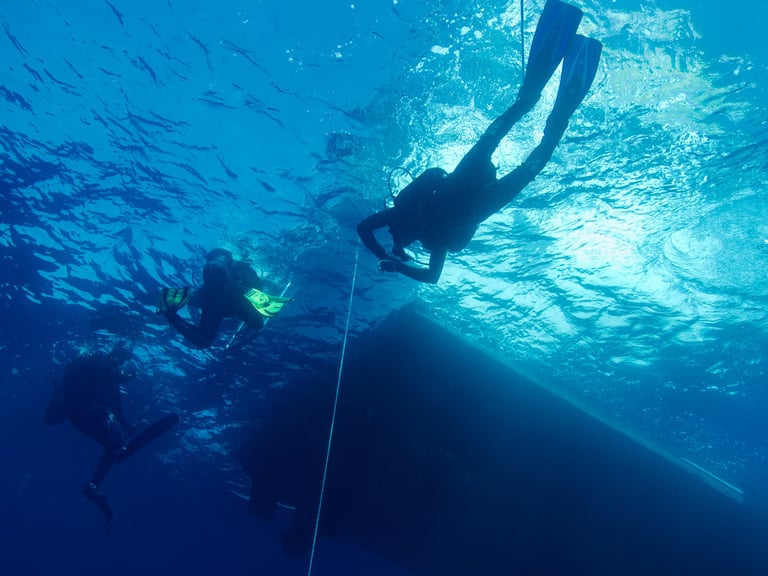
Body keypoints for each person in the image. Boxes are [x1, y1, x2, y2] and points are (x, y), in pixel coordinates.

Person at [357, 0, 602, 284]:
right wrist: (393, 262)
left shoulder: (406, 216)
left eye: (393, 236)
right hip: (476, 195)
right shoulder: (427, 235)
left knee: (513, 155)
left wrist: (388, 260)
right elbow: (431, 275)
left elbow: (365, 229)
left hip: (468, 188)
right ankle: (547, 112)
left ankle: (541, 109)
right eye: (396, 239)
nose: (394, 235)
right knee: (511, 153)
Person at [43, 347, 179, 533]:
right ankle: (95, 484)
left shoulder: (110, 381)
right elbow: (109, 376)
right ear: (116, 357)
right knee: (119, 450)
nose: (120, 365)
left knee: (118, 449)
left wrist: (126, 425)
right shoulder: (98, 363)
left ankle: (94, 485)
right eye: (121, 361)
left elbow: (117, 409)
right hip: (81, 413)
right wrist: (126, 375)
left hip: (84, 416)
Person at [158, 248, 291, 349]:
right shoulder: (241, 270)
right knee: (257, 324)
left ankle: (266, 284)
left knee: (256, 323)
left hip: (221, 301)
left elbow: (203, 341)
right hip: (230, 300)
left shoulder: (237, 273)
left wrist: (172, 317)